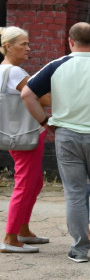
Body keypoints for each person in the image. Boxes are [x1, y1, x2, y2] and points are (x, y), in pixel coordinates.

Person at [21, 23, 90, 262]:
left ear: (70, 41)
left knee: (75, 193)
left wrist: (46, 122)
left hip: (66, 135)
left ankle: (79, 249)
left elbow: (27, 94)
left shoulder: (56, 66)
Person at [1, 27, 47, 253]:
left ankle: (23, 229)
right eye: (23, 44)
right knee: (26, 182)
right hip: (26, 134)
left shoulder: (2, 71)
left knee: (34, 181)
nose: (29, 48)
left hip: (15, 133)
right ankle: (10, 237)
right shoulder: (16, 73)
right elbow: (43, 97)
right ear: (8, 46)